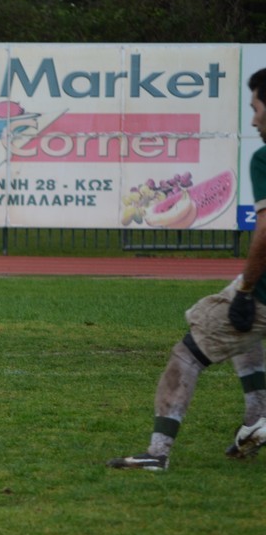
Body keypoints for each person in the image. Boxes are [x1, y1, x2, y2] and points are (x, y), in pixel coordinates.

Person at [107, 68, 266, 471]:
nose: (252, 120)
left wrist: (248, 291)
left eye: (256, 108)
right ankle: (256, 419)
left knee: (188, 354)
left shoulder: (264, 158)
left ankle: (157, 453)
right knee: (241, 330)